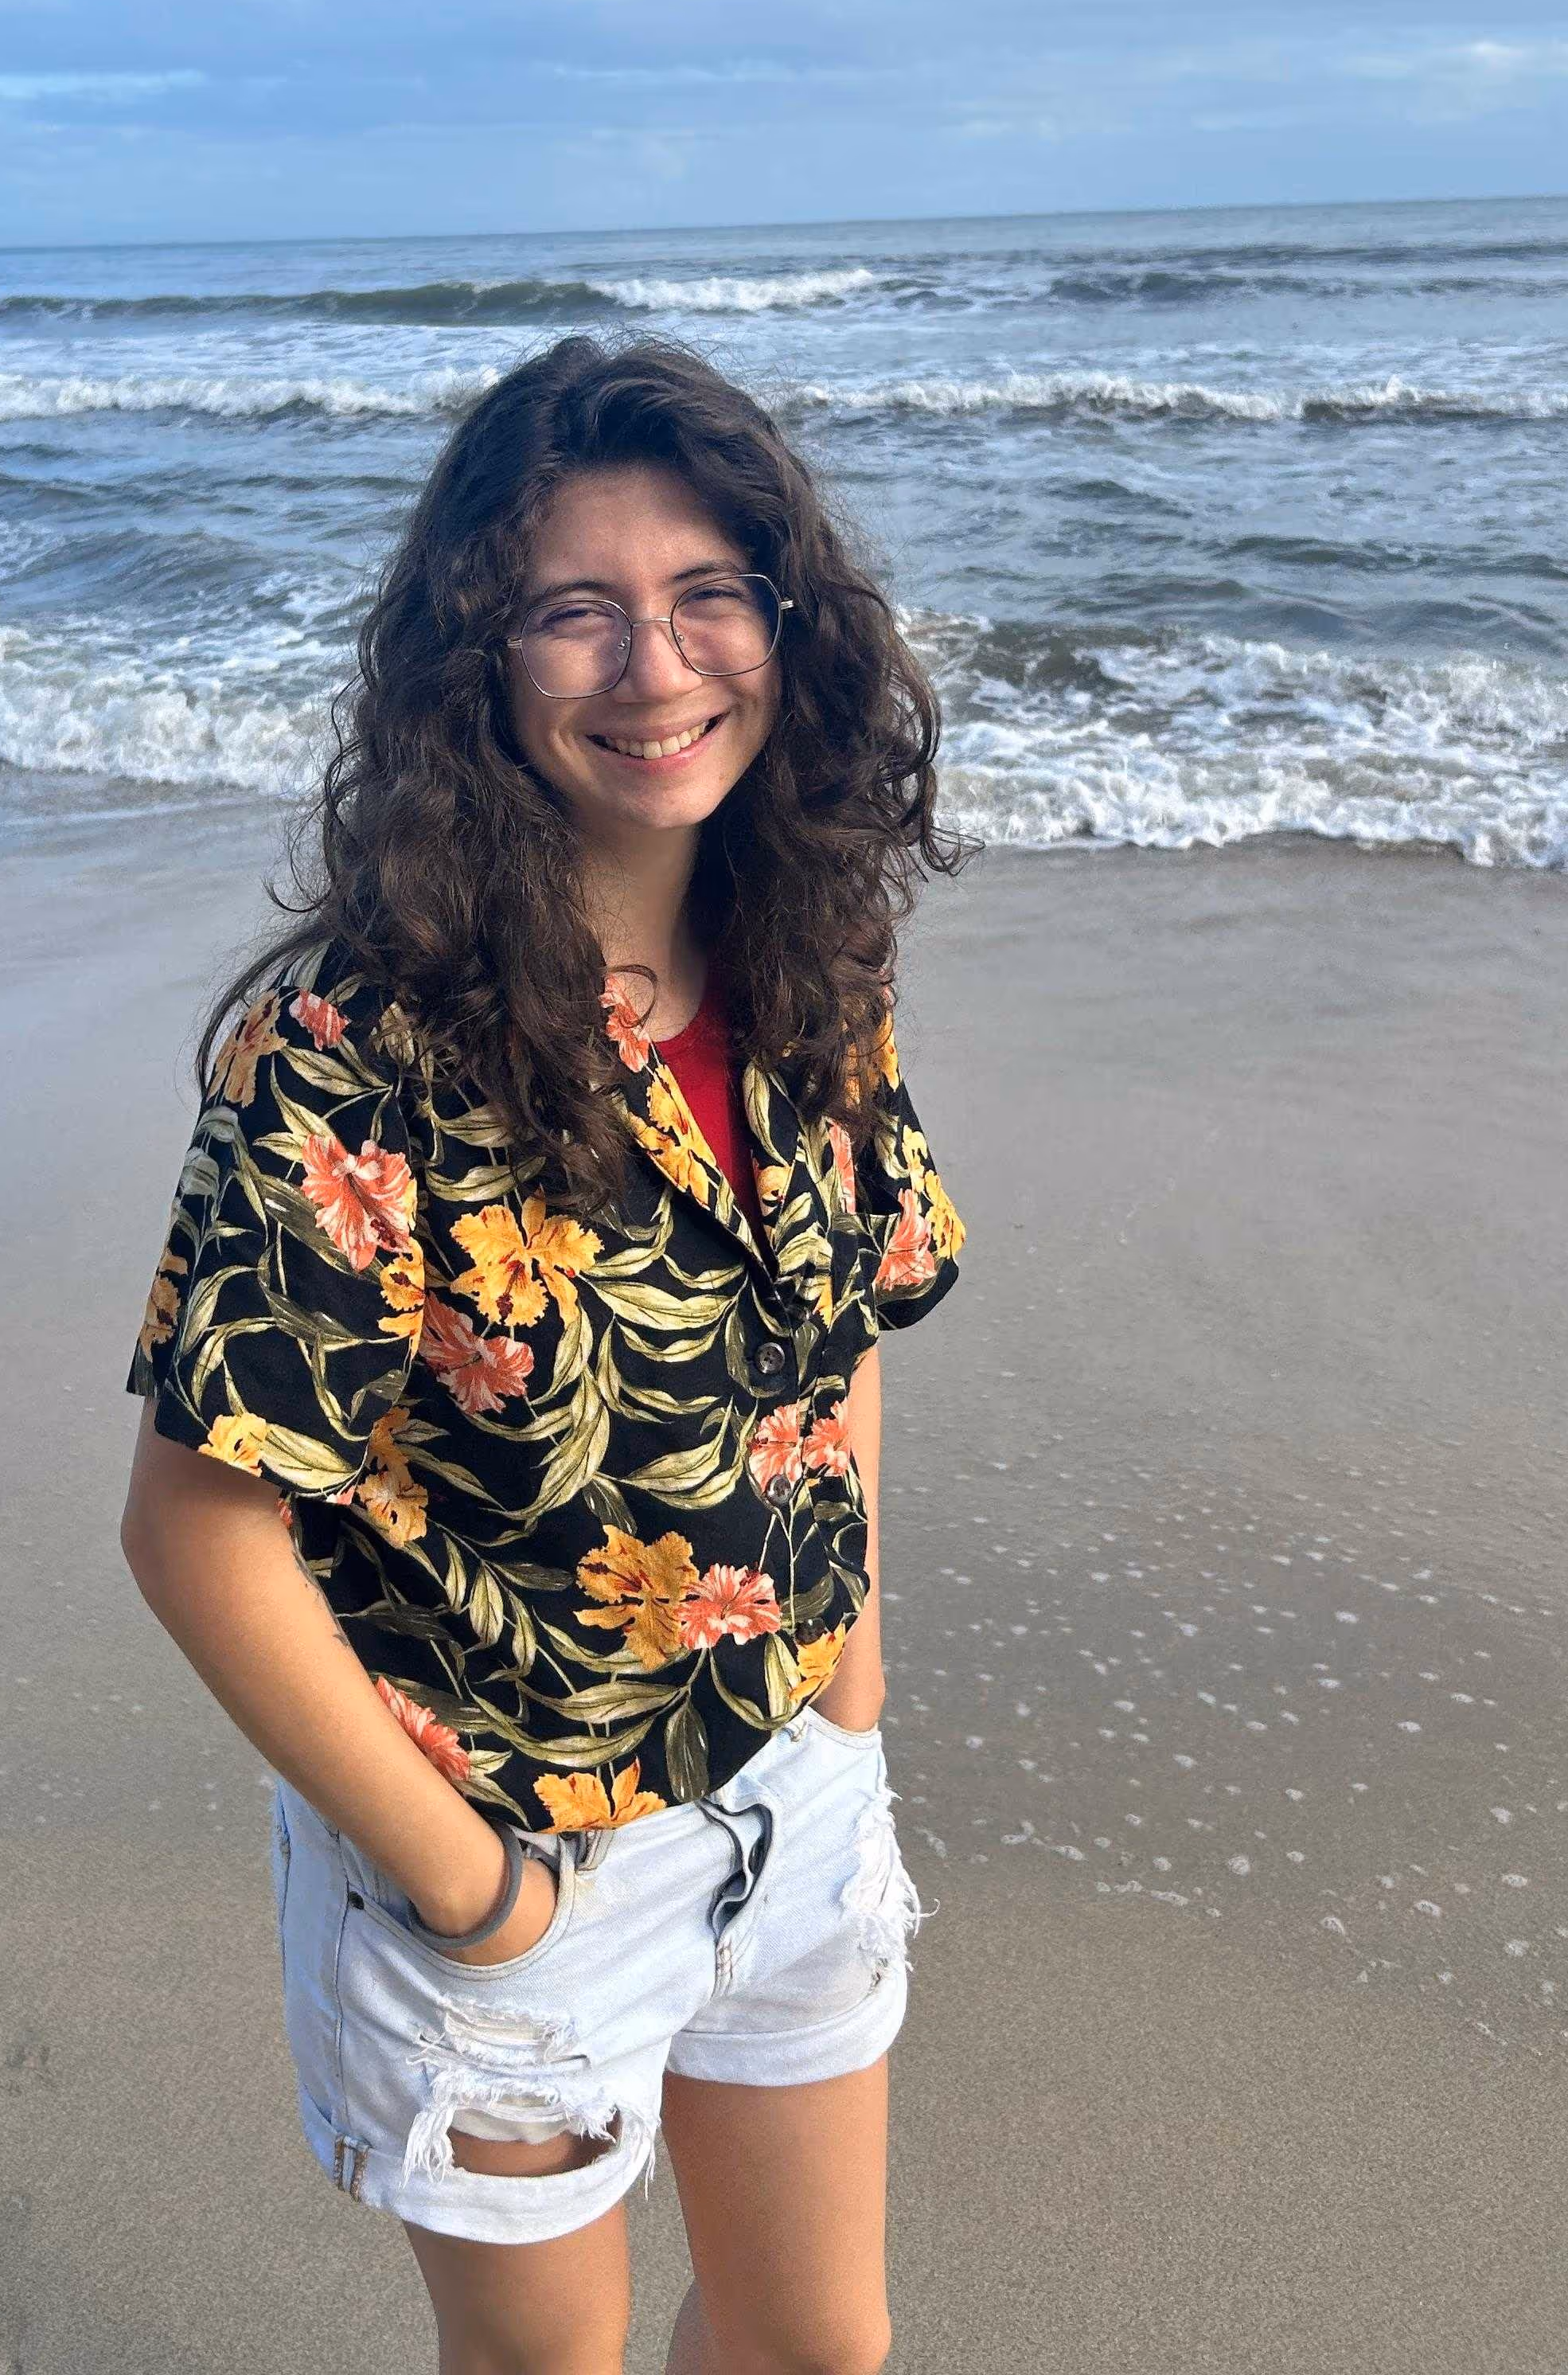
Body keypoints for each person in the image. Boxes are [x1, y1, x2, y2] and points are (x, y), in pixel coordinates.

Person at [120, 335, 965, 2375]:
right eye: (572, 610)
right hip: (505, 1861)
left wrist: (848, 1677)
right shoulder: (352, 1044)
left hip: (795, 1788)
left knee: (817, 2344)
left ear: (789, 624)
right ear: (475, 665)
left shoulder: (804, 944)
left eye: (705, 597)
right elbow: (198, 1534)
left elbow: (843, 1318)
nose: (655, 668)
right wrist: (481, 1893)